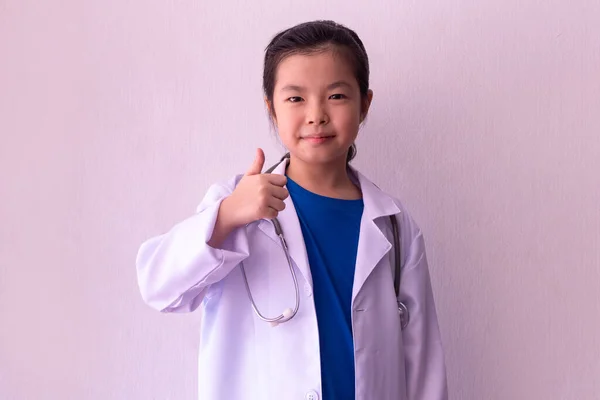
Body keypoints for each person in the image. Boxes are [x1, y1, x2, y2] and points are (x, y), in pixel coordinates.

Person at [136, 20, 448, 400]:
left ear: (364, 104)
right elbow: (160, 289)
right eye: (296, 98)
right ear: (272, 108)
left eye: (336, 96)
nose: (316, 114)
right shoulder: (235, 205)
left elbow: (423, 365)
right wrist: (228, 216)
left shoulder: (396, 226)